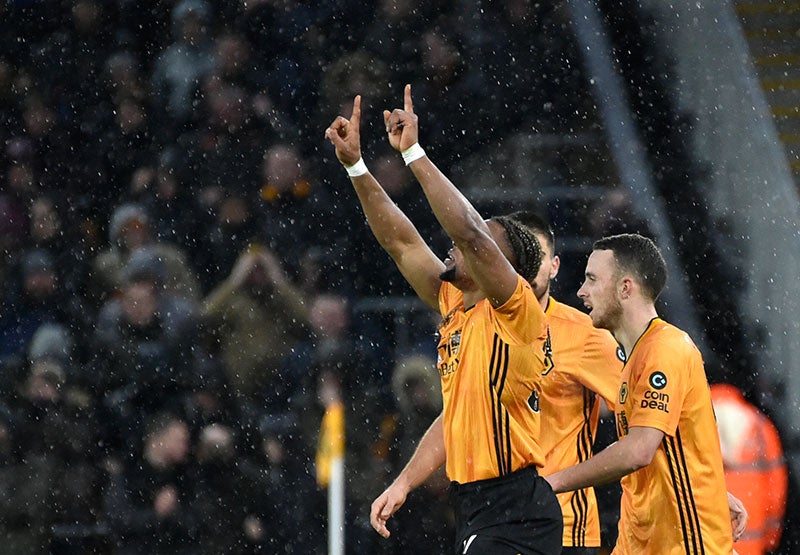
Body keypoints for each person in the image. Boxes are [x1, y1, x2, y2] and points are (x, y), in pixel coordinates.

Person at [325, 85, 562, 554]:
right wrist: (357, 166)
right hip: (478, 506)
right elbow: (401, 241)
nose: (451, 239)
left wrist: (413, 152)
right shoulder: (454, 305)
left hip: (514, 505)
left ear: (501, 266)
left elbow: (471, 233)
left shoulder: (515, 312)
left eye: (480, 241)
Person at [369, 210, 626, 554]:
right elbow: (457, 415)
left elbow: (645, 424)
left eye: (542, 257)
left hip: (565, 528)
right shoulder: (476, 321)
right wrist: (405, 481)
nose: (531, 266)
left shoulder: (587, 336)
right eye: (525, 256)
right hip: (492, 514)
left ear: (555, 266)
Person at [544, 233, 744, 554]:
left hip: (685, 544)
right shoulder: (635, 357)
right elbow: (678, 447)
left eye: (592, 279)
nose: (581, 291)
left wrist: (553, 482)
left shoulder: (664, 349)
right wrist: (714, 491)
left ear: (626, 288)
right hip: (644, 540)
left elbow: (638, 451)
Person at [710, 383, 787, 555]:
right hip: (751, 538)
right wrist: (771, 535)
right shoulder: (759, 426)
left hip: (707, 539)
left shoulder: (690, 424)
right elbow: (776, 491)